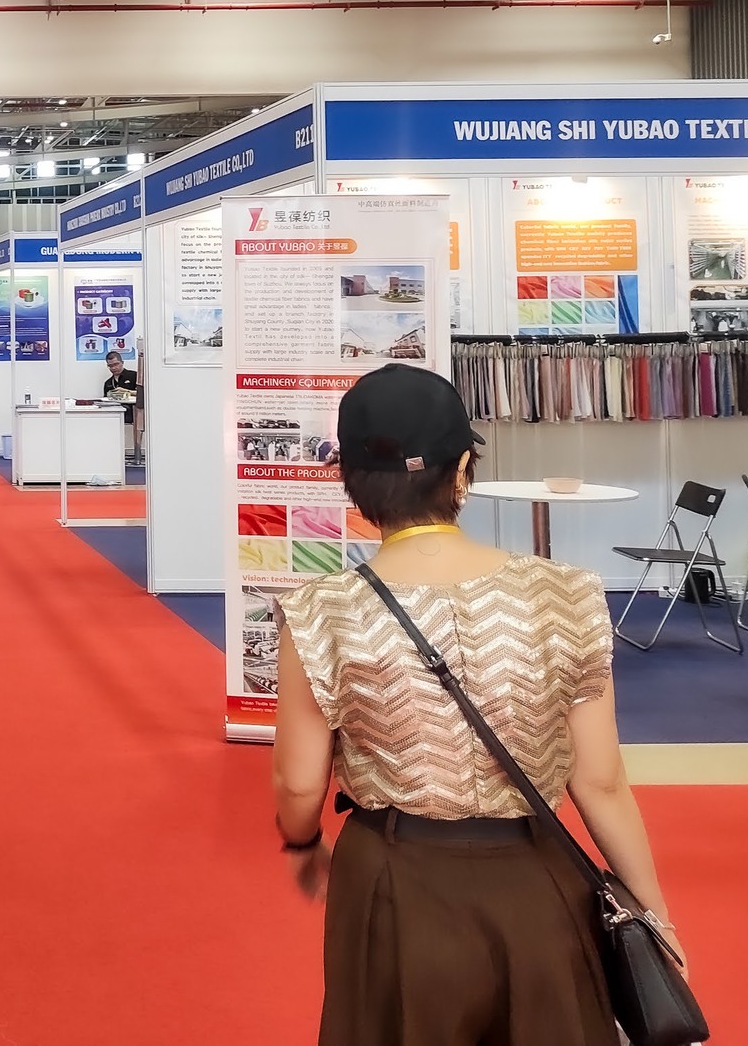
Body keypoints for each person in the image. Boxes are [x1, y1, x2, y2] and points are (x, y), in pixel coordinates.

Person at [271, 364, 678, 1046]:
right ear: (463, 469)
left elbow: (298, 782)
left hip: (393, 880)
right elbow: (600, 781)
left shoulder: (320, 611)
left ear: (351, 482)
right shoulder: (566, 595)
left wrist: (302, 841)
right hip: (535, 875)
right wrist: (654, 917)